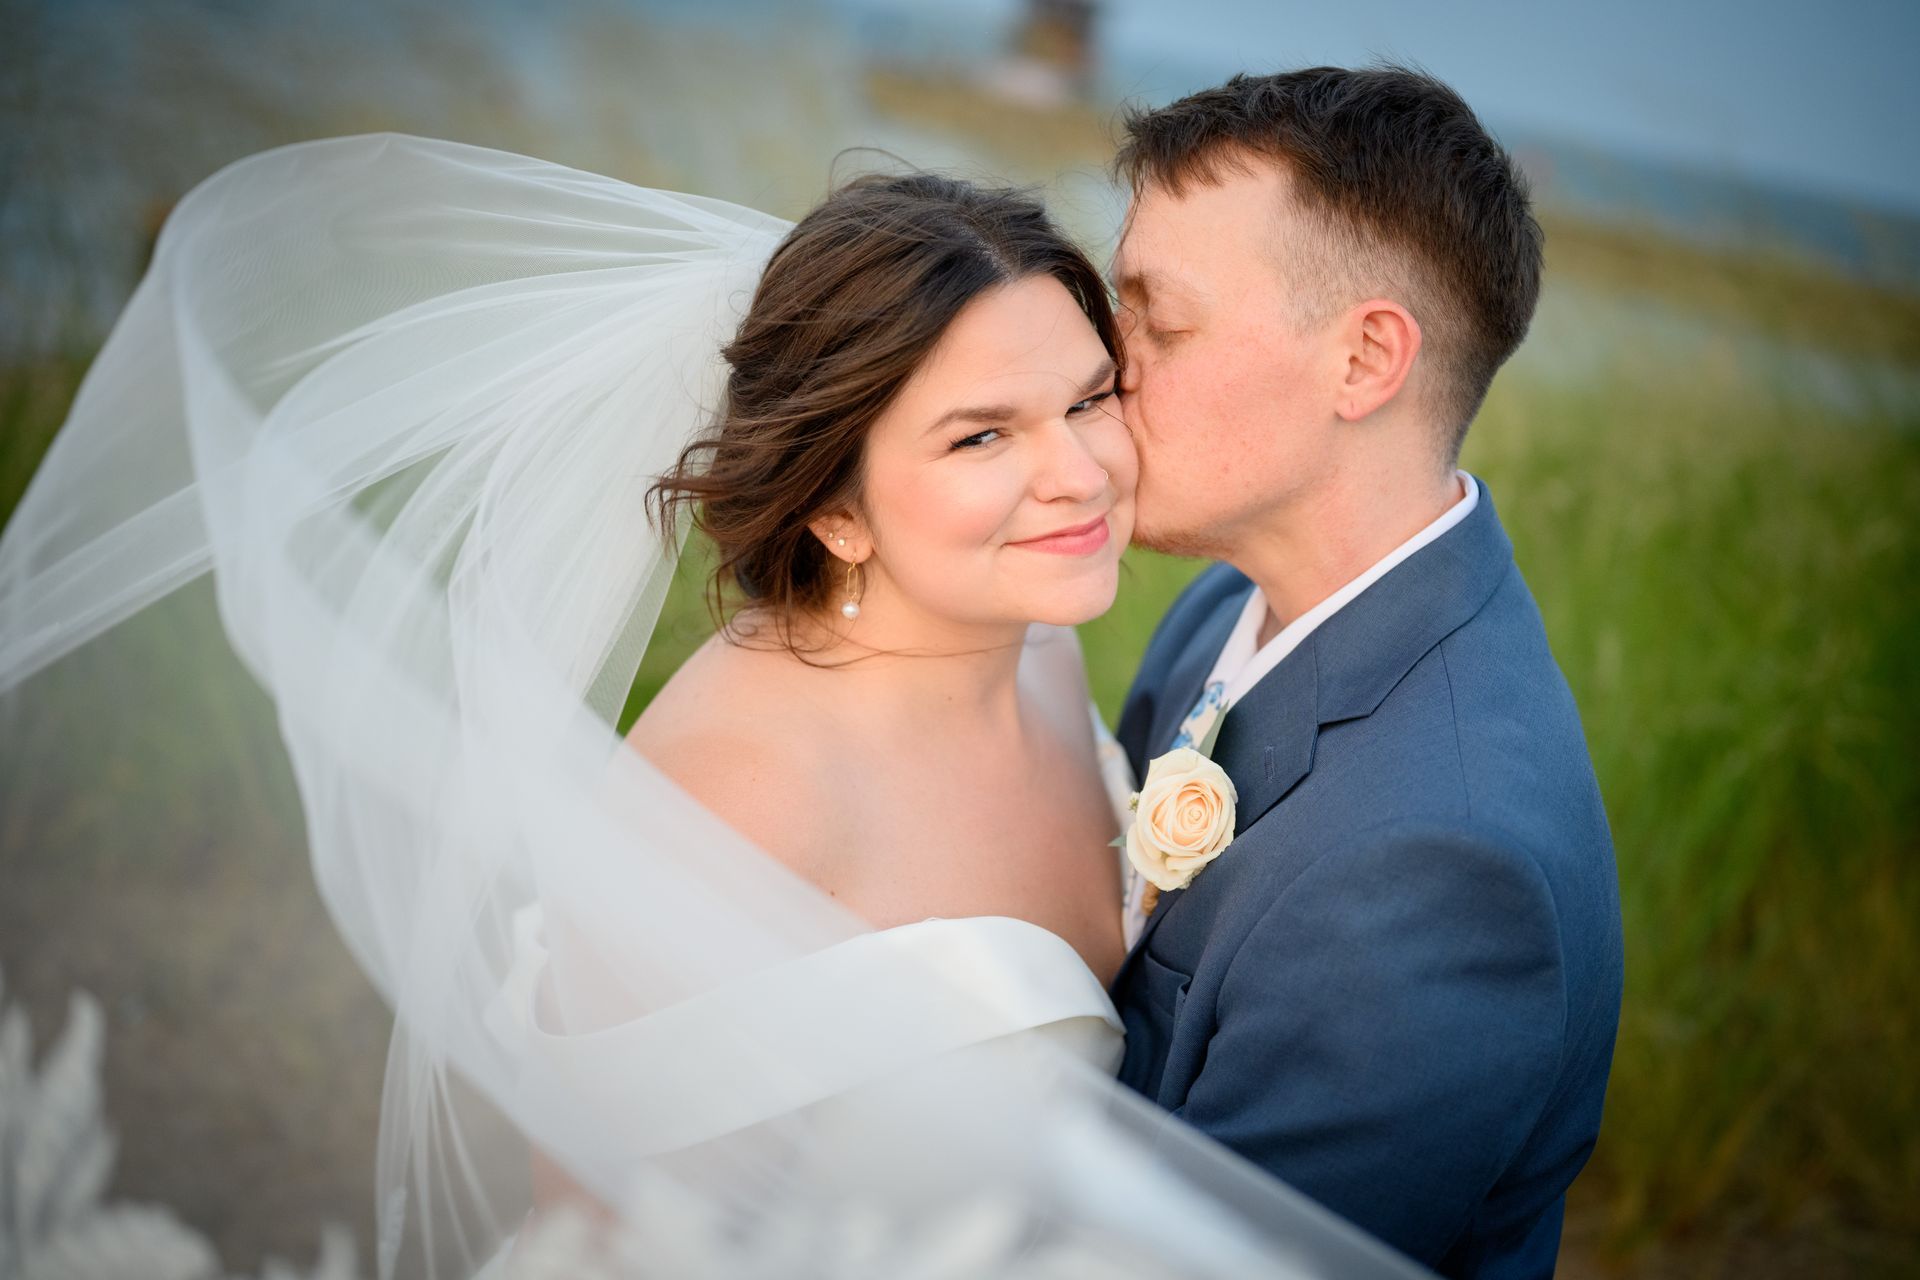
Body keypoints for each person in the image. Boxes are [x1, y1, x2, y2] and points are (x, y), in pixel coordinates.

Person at [0, 133, 1426, 1279]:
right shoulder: (734, 796)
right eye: (982, 433)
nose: (1081, 473)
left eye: (1091, 397)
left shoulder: (1034, 644)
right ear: (840, 513)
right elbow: (608, 1230)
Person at [1104, 67, 1625, 1279]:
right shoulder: (1228, 600)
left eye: (1158, 321)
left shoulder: (1442, 866)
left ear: (1365, 360)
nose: (1102, 361)